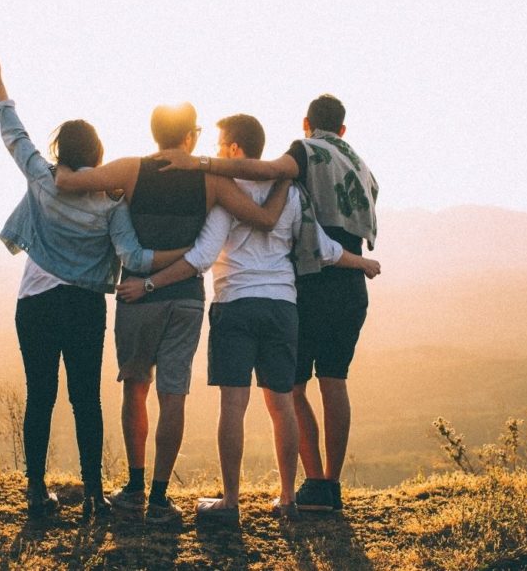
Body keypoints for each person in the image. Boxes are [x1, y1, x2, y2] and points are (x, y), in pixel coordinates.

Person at [117, 115, 379, 523]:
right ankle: (288, 499)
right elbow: (322, 247)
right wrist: (360, 262)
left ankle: (231, 502)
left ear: (236, 150)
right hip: (283, 307)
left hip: (236, 304)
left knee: (233, 406)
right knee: (282, 405)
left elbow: (201, 258)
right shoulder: (290, 193)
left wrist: (149, 284)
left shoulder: (226, 194)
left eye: (222, 145)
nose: (218, 152)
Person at [0, 43, 187, 519]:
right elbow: (132, 255)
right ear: (98, 154)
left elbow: (15, 135)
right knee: (85, 399)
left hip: (35, 302)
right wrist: (187, 254)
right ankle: (93, 495)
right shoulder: (110, 201)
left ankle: (36, 493)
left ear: (60, 151)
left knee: (40, 396)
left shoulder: (43, 178)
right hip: (85, 306)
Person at [54, 104, 290, 523]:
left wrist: (59, 168)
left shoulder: (130, 170)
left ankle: (134, 488)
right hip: (186, 299)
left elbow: (72, 182)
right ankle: (161, 498)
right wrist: (287, 177)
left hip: (136, 297)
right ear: (190, 138)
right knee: (173, 394)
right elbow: (262, 219)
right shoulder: (211, 180)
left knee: (135, 388)